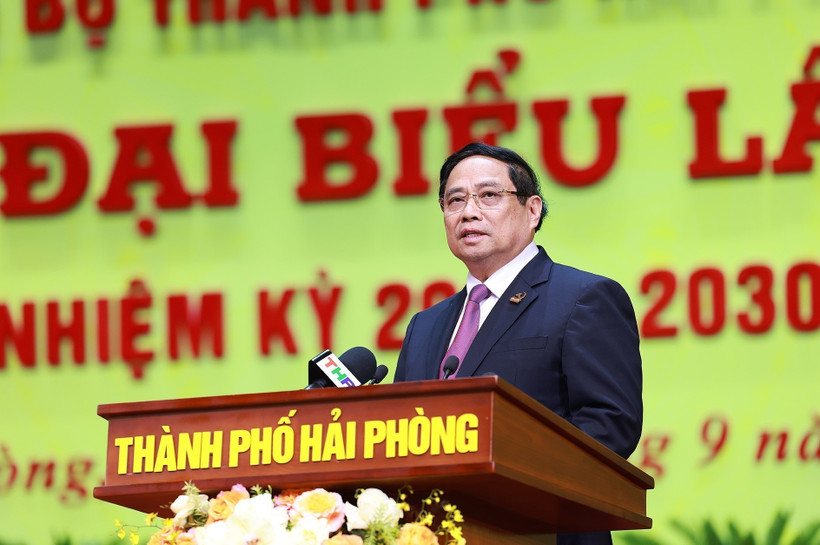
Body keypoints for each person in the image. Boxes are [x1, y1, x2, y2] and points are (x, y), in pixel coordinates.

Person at [393, 142, 642, 545]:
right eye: (455, 200)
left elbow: (609, 426)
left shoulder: (583, 297)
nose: (469, 211)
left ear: (532, 210)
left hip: (545, 532)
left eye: (489, 195)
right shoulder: (426, 325)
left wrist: (504, 486)